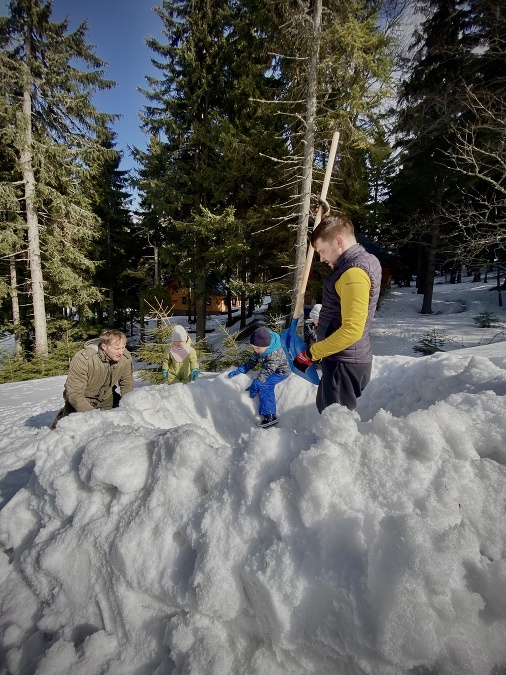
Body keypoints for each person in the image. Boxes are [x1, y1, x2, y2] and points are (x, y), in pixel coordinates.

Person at [293, 213, 382, 412]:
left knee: (334, 428)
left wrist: (311, 354)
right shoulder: (367, 260)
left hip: (343, 363)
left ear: (339, 241)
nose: (322, 258)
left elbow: (352, 330)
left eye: (322, 251)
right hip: (347, 360)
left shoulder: (353, 274)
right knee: (330, 417)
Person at [52, 329, 134, 428]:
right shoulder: (83, 359)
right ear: (104, 347)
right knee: (73, 431)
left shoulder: (125, 358)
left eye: (123, 347)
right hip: (81, 400)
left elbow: (127, 385)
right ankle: (62, 415)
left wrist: (128, 406)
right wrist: (93, 415)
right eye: (117, 349)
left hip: (107, 398)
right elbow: (74, 392)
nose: (121, 352)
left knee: (121, 423)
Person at [228, 326, 289, 428]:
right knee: (263, 382)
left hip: (281, 371)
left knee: (265, 386)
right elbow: (252, 360)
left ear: (266, 345)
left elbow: (268, 370)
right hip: (270, 369)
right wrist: (241, 369)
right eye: (254, 347)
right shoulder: (260, 347)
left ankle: (269, 416)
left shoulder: (274, 353)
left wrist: (258, 382)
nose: (255, 350)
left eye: (257, 348)